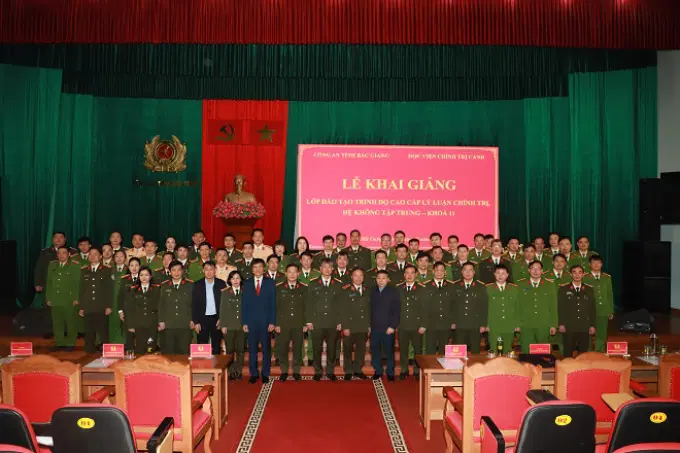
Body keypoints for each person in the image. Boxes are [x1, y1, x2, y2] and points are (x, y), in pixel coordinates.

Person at [305, 259, 342, 381]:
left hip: (333, 322)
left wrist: (340, 321)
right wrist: (309, 320)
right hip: (317, 321)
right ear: (320, 269)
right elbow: (309, 303)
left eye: (329, 267)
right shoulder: (313, 283)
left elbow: (341, 304)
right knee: (317, 348)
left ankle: (330, 371)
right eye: (324, 267)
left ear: (333, 269)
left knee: (332, 348)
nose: (327, 269)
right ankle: (318, 371)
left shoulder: (338, 284)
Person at [242, 259, 276, 384]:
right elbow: (244, 304)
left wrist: (272, 321)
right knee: (252, 350)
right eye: (255, 267)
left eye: (260, 267)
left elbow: (273, 304)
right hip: (251, 322)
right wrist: (244, 322)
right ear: (252, 269)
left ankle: (265, 373)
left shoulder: (270, 283)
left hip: (266, 322)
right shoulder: (247, 283)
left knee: (266, 349)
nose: (257, 269)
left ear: (264, 269)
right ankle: (254, 373)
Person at [275, 263, 307, 382]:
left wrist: (305, 323)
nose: (292, 274)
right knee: (282, 348)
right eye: (290, 272)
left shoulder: (304, 288)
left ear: (298, 273)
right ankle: (284, 370)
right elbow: (275, 307)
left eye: (295, 272)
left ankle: (296, 371)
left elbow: (306, 307)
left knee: (298, 348)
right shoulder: (278, 288)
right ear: (286, 273)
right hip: (283, 323)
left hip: (298, 323)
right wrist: (276, 323)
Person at [78, 248, 113, 353]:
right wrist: (81, 307)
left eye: (95, 254)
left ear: (100, 256)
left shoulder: (107, 270)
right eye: (90, 254)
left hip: (101, 306)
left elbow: (110, 290)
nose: (92, 256)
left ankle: (106, 351)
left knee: (103, 331)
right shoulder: (84, 270)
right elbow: (82, 290)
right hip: (88, 306)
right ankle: (89, 351)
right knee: (89, 331)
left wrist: (109, 306)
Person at [518, 261, 558, 352]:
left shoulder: (549, 284)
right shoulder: (521, 284)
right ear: (529, 270)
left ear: (542, 271)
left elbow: (553, 306)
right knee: (526, 350)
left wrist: (553, 325)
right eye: (533, 268)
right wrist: (517, 323)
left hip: (543, 323)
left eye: (538, 269)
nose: (535, 271)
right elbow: (517, 305)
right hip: (526, 323)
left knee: (543, 351)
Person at [45, 245, 80, 351]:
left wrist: (76, 298)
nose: (61, 255)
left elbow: (78, 284)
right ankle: (59, 342)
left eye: (64, 252)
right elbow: (49, 283)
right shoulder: (53, 265)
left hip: (69, 299)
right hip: (55, 299)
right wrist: (48, 297)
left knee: (71, 323)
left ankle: (70, 343)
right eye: (59, 253)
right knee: (57, 322)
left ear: (69, 254)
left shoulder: (74, 266)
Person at [396, 265, 427, 379]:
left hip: (417, 325)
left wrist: (423, 325)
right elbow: (395, 307)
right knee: (403, 349)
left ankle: (417, 371)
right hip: (402, 324)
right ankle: (404, 370)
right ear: (404, 275)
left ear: (416, 274)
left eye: (412, 273)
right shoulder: (398, 289)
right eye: (407, 273)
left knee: (417, 350)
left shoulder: (422, 289)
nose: (409, 275)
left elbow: (425, 309)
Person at [339, 268, 370, 380]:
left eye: (361, 275)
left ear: (363, 277)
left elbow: (369, 309)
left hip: (363, 325)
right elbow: (342, 310)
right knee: (347, 349)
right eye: (356, 275)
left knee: (361, 350)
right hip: (350, 325)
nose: (358, 278)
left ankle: (358, 370)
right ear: (351, 277)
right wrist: (345, 326)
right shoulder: (345, 290)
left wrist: (369, 325)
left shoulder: (367, 290)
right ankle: (348, 371)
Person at [119, 267, 159, 354]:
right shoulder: (133, 289)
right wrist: (130, 325)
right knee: (139, 349)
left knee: (150, 348)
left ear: (150, 276)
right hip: (138, 323)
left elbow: (160, 306)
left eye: (146, 275)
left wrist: (160, 322)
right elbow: (129, 308)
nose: (144, 277)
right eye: (141, 275)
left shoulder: (157, 289)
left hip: (152, 323)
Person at [558, 265, 596, 357]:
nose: (577, 275)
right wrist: (561, 324)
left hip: (584, 325)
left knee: (583, 352)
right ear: (571, 274)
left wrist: (592, 325)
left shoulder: (589, 289)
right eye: (574, 272)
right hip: (569, 325)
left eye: (580, 272)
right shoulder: (563, 289)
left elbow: (592, 308)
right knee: (568, 351)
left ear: (583, 274)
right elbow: (560, 307)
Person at [158, 261, 194, 354]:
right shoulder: (164, 285)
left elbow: (194, 304)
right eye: (174, 270)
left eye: (179, 270)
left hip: (185, 323)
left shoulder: (190, 285)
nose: (176, 273)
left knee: (184, 351)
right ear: (170, 272)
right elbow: (161, 304)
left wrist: (192, 319)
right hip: (169, 324)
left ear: (182, 271)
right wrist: (161, 320)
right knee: (170, 351)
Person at [452, 262, 488, 354]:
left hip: (475, 324)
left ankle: (475, 364)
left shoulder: (481, 287)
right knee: (459, 351)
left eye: (470, 270)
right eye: (465, 270)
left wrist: (483, 324)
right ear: (462, 272)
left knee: (475, 350)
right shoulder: (455, 286)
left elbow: (484, 307)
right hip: (459, 323)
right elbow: (452, 306)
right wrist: (452, 321)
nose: (468, 272)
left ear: (474, 272)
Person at [370, 270, 400, 381]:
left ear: (388, 280)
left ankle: (390, 372)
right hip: (375, 327)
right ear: (376, 279)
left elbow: (396, 311)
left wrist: (393, 326)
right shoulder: (372, 291)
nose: (381, 280)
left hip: (388, 328)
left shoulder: (393, 292)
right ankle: (378, 371)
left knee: (389, 351)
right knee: (375, 351)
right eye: (379, 278)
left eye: (383, 278)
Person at [192, 261, 226, 355]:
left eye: (211, 269)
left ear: (215, 270)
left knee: (216, 346)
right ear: (203, 271)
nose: (209, 272)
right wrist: (196, 322)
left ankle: (217, 364)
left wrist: (222, 319)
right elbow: (194, 304)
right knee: (202, 346)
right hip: (202, 319)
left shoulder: (221, 284)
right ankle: (202, 364)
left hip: (216, 319)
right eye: (206, 269)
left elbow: (224, 304)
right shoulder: (197, 284)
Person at [486, 264, 520, 353]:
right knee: (493, 350)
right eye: (498, 273)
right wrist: (486, 324)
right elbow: (485, 308)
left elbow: (517, 307)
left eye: (503, 273)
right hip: (493, 324)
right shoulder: (488, 288)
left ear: (507, 275)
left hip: (509, 324)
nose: (500, 275)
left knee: (507, 350)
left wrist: (517, 324)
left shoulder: (514, 289)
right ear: (494, 274)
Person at [583, 255, 614, 352]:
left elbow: (609, 294)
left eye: (598, 263)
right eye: (594, 263)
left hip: (603, 309)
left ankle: (599, 352)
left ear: (601, 264)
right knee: (587, 332)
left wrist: (610, 310)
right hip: (588, 310)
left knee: (601, 333)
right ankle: (587, 352)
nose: (596, 265)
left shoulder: (607, 277)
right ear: (589, 264)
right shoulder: (585, 277)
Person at [424, 262, 455, 355]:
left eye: (441, 270)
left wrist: (453, 321)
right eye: (437, 270)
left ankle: (443, 365)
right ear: (433, 271)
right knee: (430, 350)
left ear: (445, 272)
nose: (439, 272)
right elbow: (423, 306)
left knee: (444, 350)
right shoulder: (425, 286)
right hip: (431, 323)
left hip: (445, 323)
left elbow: (454, 305)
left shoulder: (451, 286)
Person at [220, 270, 246, 380]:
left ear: (241, 280)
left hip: (242, 326)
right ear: (230, 280)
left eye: (237, 278)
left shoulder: (246, 292)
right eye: (233, 278)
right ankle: (231, 372)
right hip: (229, 326)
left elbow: (249, 309)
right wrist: (223, 325)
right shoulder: (225, 293)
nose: (235, 280)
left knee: (241, 350)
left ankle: (239, 371)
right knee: (229, 350)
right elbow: (223, 310)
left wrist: (247, 323)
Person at [35, 232, 77, 297]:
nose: (58, 239)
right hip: (49, 285)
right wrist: (38, 283)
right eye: (56, 237)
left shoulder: (73, 252)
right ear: (52, 239)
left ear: (65, 239)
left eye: (61, 237)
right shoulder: (45, 252)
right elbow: (39, 268)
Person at [109, 250, 129, 344]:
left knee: (124, 322)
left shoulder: (129, 270)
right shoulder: (110, 270)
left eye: (121, 256)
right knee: (113, 322)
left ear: (125, 258)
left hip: (125, 301)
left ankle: (124, 342)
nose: (119, 258)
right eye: (117, 256)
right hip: (112, 300)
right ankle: (113, 342)